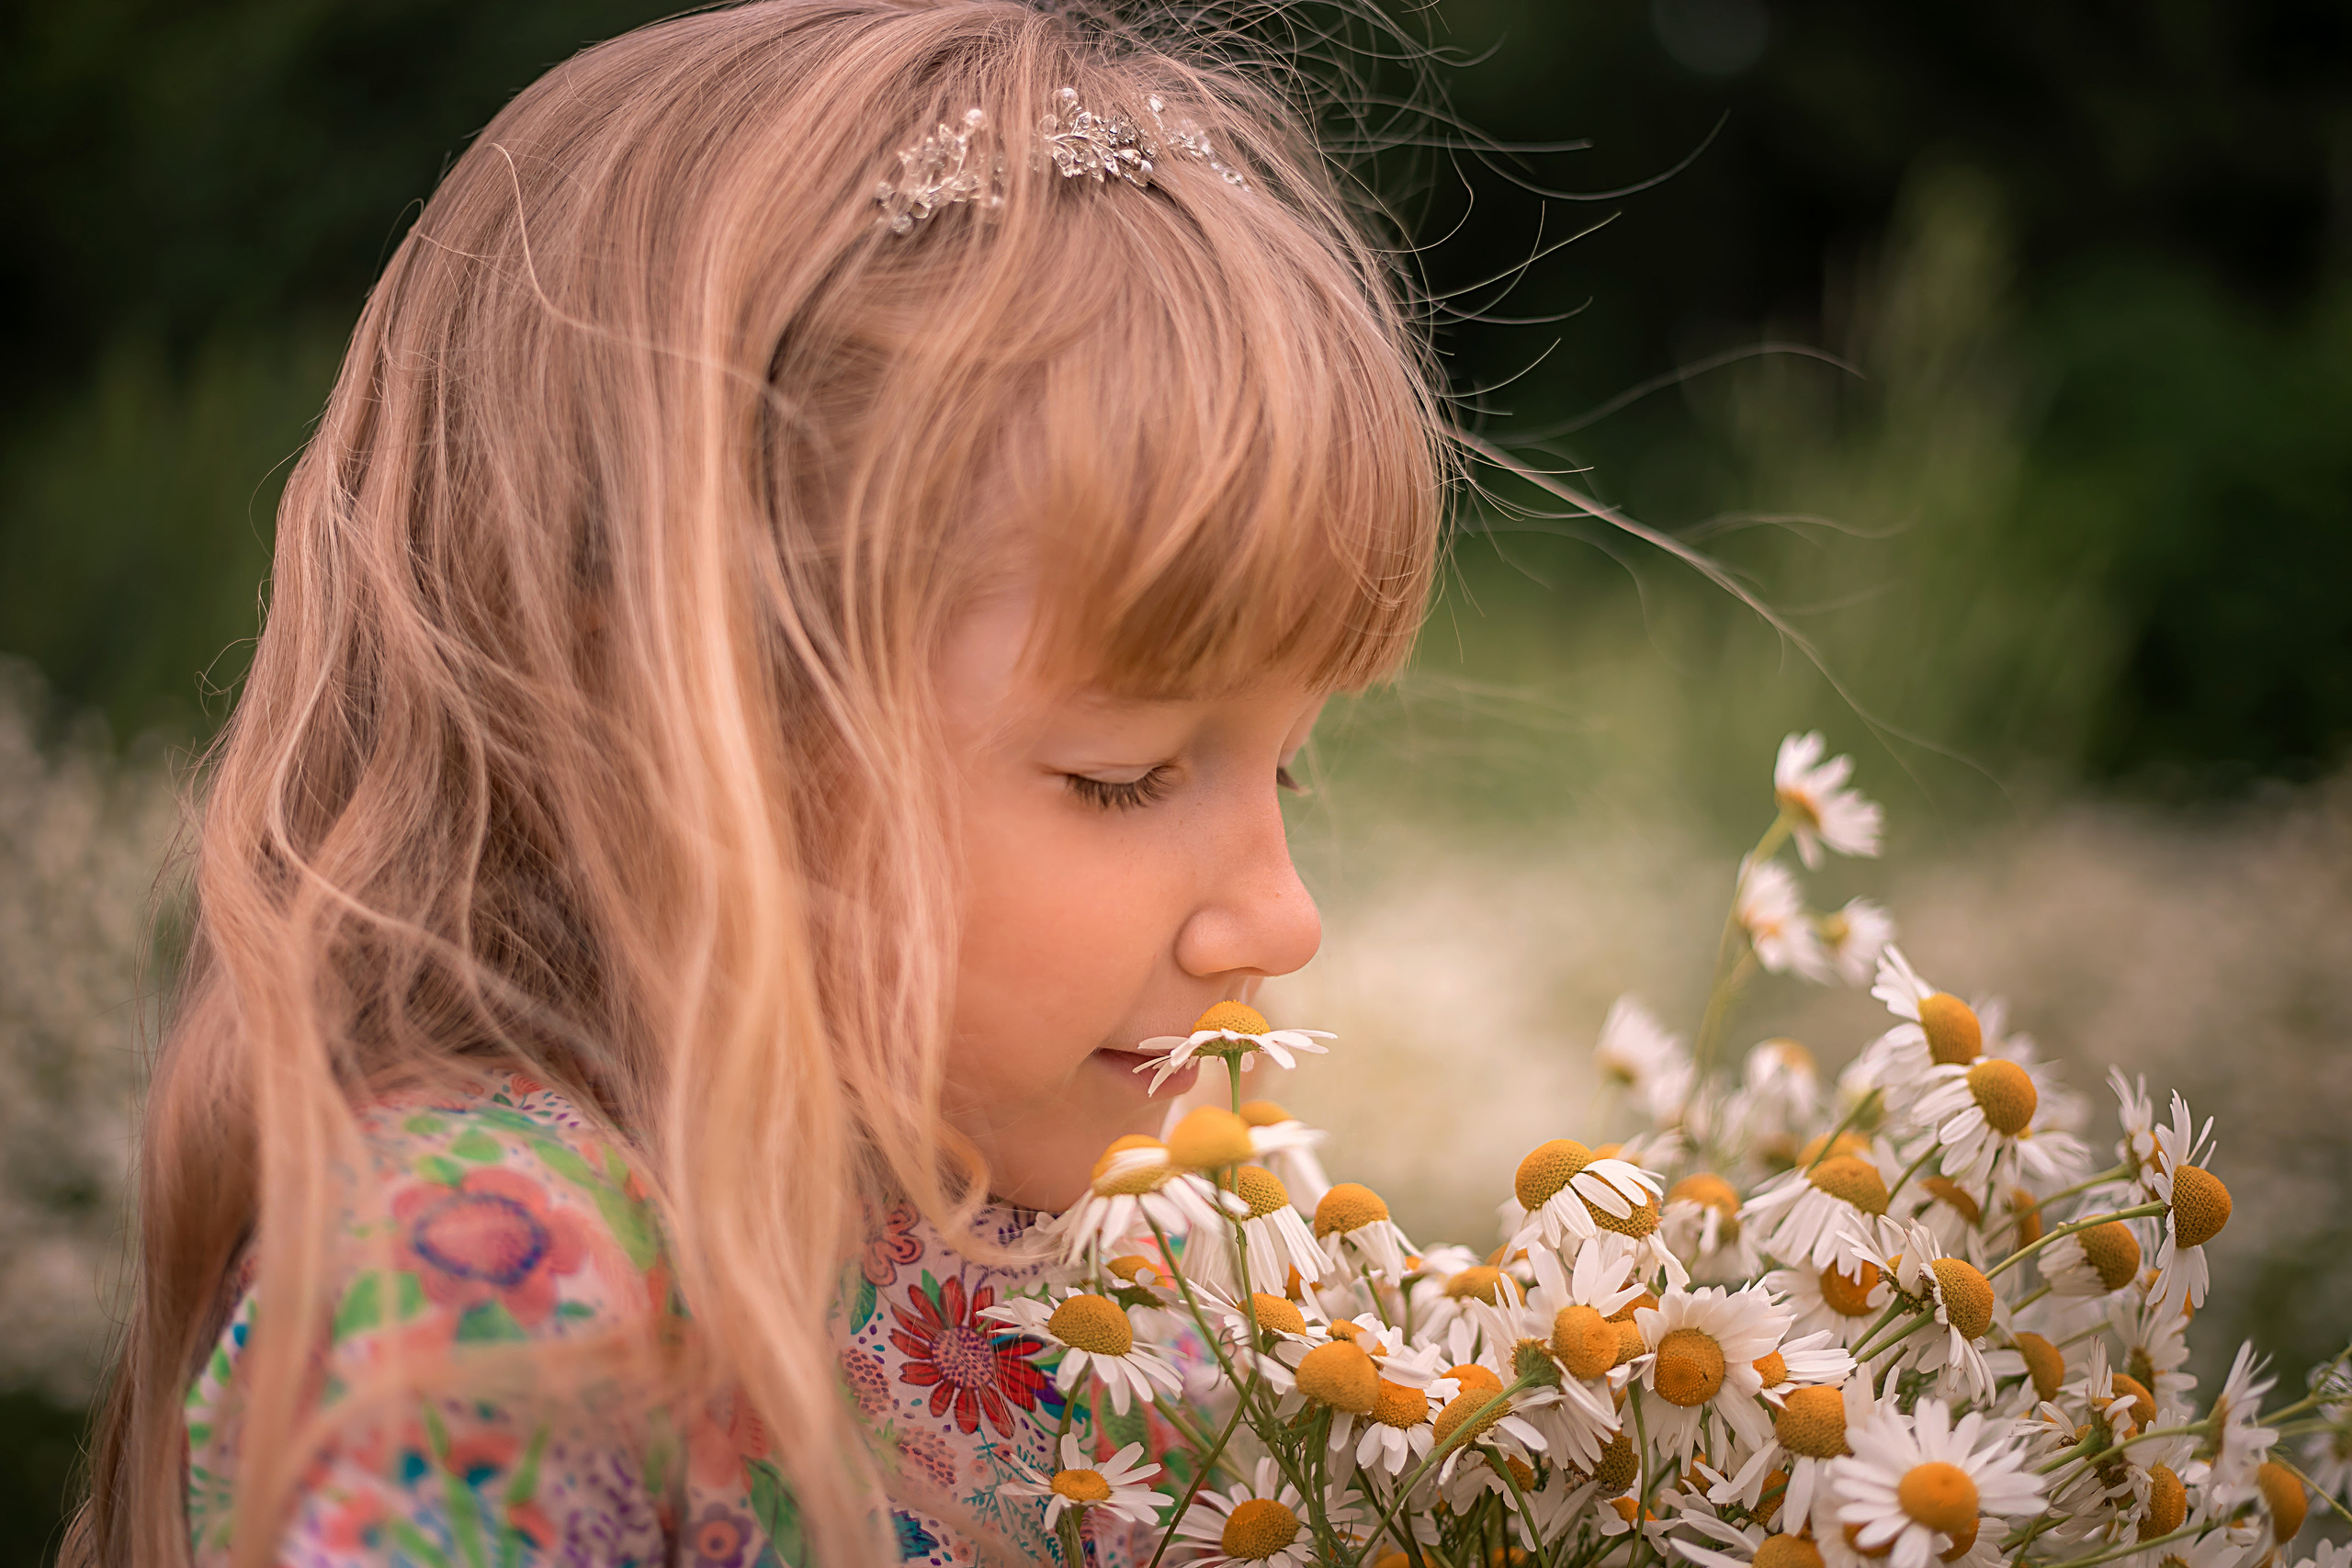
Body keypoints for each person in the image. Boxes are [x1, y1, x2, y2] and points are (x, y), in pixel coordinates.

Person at [68, 1, 1445, 1562]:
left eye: (1293, 765)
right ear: (665, 718)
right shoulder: (489, 1305)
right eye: (1123, 776)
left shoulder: (1138, 1285)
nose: (1281, 920)